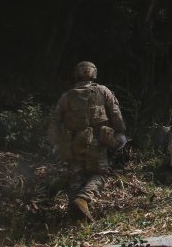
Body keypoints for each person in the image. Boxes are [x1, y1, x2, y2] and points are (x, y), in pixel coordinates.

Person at [48, 61, 127, 222]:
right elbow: (115, 112)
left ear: (76, 74)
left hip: (73, 141)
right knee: (100, 173)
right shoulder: (103, 91)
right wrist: (120, 132)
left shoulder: (67, 96)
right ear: (94, 74)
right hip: (97, 139)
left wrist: (56, 142)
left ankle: (76, 214)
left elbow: (55, 120)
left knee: (76, 176)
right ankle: (83, 200)